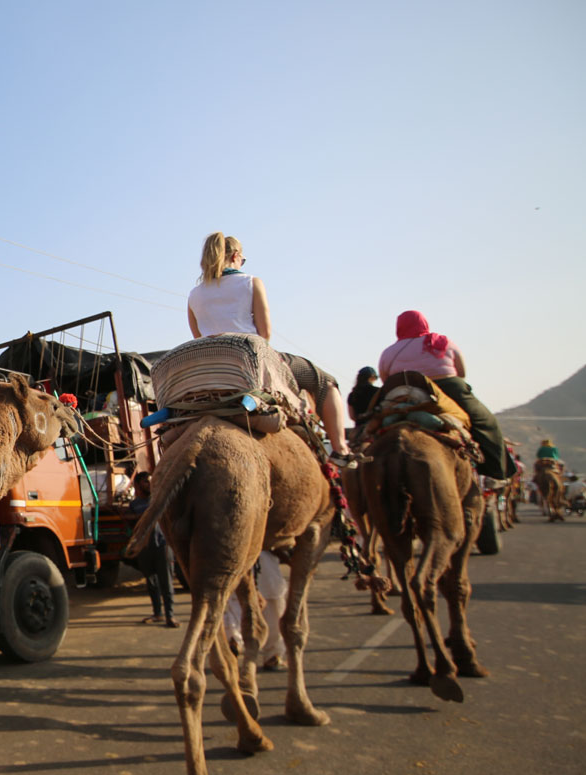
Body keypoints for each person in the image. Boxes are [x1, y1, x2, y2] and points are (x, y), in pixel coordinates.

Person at [186, 232, 358, 467]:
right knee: (325, 382)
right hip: (251, 361)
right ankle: (340, 449)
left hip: (211, 370)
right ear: (236, 256)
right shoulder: (251, 282)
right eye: (242, 260)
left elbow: (199, 339)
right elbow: (264, 334)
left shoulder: (194, 295)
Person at [377, 310, 514, 481]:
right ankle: (495, 474)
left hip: (402, 394)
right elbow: (461, 373)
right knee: (487, 423)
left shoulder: (389, 352)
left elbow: (385, 379)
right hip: (449, 390)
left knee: (369, 427)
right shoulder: (441, 342)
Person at [128, 473, 177, 628]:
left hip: (162, 545)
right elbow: (133, 526)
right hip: (145, 547)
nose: (149, 484)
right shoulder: (134, 505)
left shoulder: (159, 501)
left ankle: (170, 615)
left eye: (150, 482)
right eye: (145, 482)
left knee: (166, 582)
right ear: (138, 484)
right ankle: (157, 613)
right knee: (151, 582)